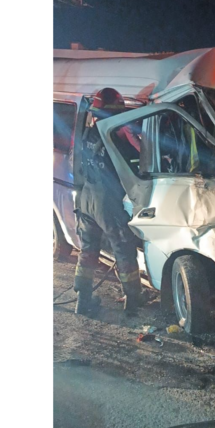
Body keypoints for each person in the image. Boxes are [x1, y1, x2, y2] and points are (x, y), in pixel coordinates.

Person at [71, 88, 143, 316]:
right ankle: (132, 301)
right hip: (106, 201)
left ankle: (82, 301)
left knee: (88, 250)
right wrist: (133, 138)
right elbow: (141, 159)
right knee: (123, 247)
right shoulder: (115, 135)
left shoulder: (89, 134)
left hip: (86, 198)